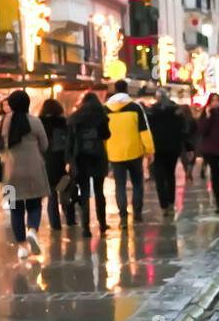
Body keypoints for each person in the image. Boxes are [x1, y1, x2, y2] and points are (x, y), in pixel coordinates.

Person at [0, 90, 50, 258]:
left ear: (10, 104)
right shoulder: (35, 121)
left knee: (15, 210)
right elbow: (45, 145)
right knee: (34, 204)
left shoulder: (2, 121)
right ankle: (32, 230)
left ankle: (22, 248)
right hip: (35, 172)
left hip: (10, 174)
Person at [105, 79, 154, 228]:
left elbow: (103, 132)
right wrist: (150, 150)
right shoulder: (135, 107)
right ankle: (137, 213)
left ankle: (123, 218)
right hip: (134, 152)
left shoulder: (105, 109)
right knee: (137, 183)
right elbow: (144, 130)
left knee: (120, 185)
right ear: (126, 90)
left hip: (114, 153)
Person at [67, 91, 111, 236]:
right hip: (98, 156)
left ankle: (85, 228)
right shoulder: (101, 116)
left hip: (81, 157)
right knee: (99, 191)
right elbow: (106, 135)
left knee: (84, 192)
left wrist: (69, 160)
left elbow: (70, 141)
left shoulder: (75, 118)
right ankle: (102, 224)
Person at [147, 88, 187, 217]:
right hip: (173, 147)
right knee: (170, 175)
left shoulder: (152, 112)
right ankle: (170, 202)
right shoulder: (176, 111)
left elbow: (148, 130)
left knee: (159, 177)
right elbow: (183, 129)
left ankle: (163, 204)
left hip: (157, 148)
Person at [38, 99, 73, 230]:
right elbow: (68, 142)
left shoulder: (39, 123)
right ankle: (70, 220)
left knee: (51, 195)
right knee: (65, 191)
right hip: (61, 162)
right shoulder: (63, 122)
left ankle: (55, 225)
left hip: (46, 163)